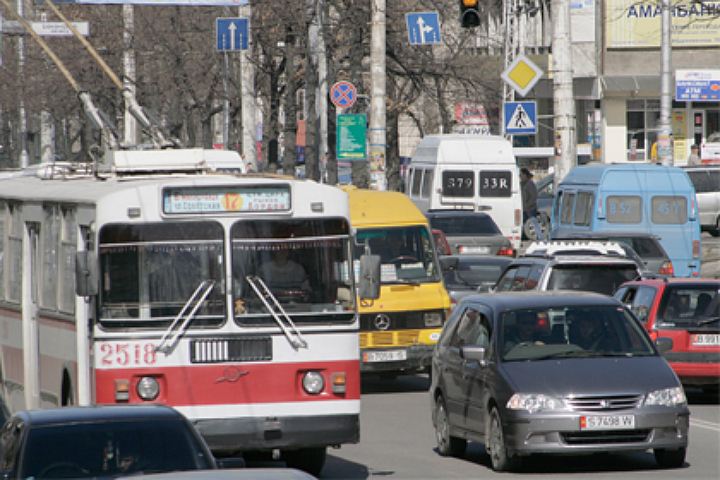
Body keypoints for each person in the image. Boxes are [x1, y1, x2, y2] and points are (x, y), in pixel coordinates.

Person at [520, 167, 545, 240]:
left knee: (533, 222)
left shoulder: (530, 184)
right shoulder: (521, 184)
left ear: (525, 175)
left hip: (530, 208)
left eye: (521, 175)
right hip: (524, 208)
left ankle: (540, 237)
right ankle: (523, 236)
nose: (520, 177)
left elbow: (534, 196)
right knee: (523, 223)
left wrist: (528, 205)